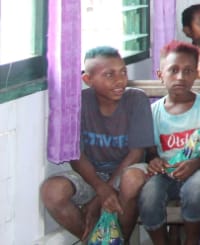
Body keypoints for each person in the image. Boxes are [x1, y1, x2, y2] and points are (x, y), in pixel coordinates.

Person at [40, 47, 151, 242]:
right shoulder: (79, 104)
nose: (119, 80)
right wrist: (100, 189)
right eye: (109, 75)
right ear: (88, 80)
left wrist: (102, 195)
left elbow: (136, 153)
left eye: (123, 72)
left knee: (131, 180)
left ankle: (119, 240)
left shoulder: (136, 99)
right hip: (93, 175)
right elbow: (76, 156)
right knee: (52, 191)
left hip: (127, 170)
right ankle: (96, 240)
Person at [139, 42, 200, 245]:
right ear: (160, 74)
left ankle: (191, 240)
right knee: (149, 195)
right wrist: (154, 160)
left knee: (196, 189)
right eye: (173, 70)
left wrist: (196, 163)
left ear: (196, 74)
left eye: (188, 71)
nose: (181, 77)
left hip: (197, 168)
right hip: (165, 173)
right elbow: (151, 150)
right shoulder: (153, 112)